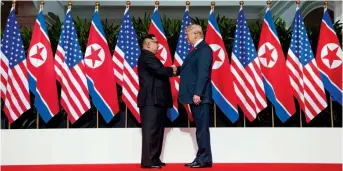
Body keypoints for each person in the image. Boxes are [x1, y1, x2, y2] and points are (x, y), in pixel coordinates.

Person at [175, 24, 213, 168]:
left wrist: (198, 93)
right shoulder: (196, 49)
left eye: (187, 34)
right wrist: (175, 70)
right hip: (195, 96)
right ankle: (201, 157)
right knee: (200, 129)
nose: (186, 37)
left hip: (200, 97)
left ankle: (205, 159)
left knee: (202, 129)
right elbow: (189, 69)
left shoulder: (204, 49)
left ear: (196, 34)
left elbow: (203, 73)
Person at [137, 34, 177, 169]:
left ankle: (154, 159)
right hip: (150, 100)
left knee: (158, 131)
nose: (158, 45)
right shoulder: (147, 56)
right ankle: (148, 161)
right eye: (156, 43)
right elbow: (160, 71)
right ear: (148, 44)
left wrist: (173, 70)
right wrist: (173, 69)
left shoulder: (150, 57)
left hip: (157, 100)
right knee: (151, 131)